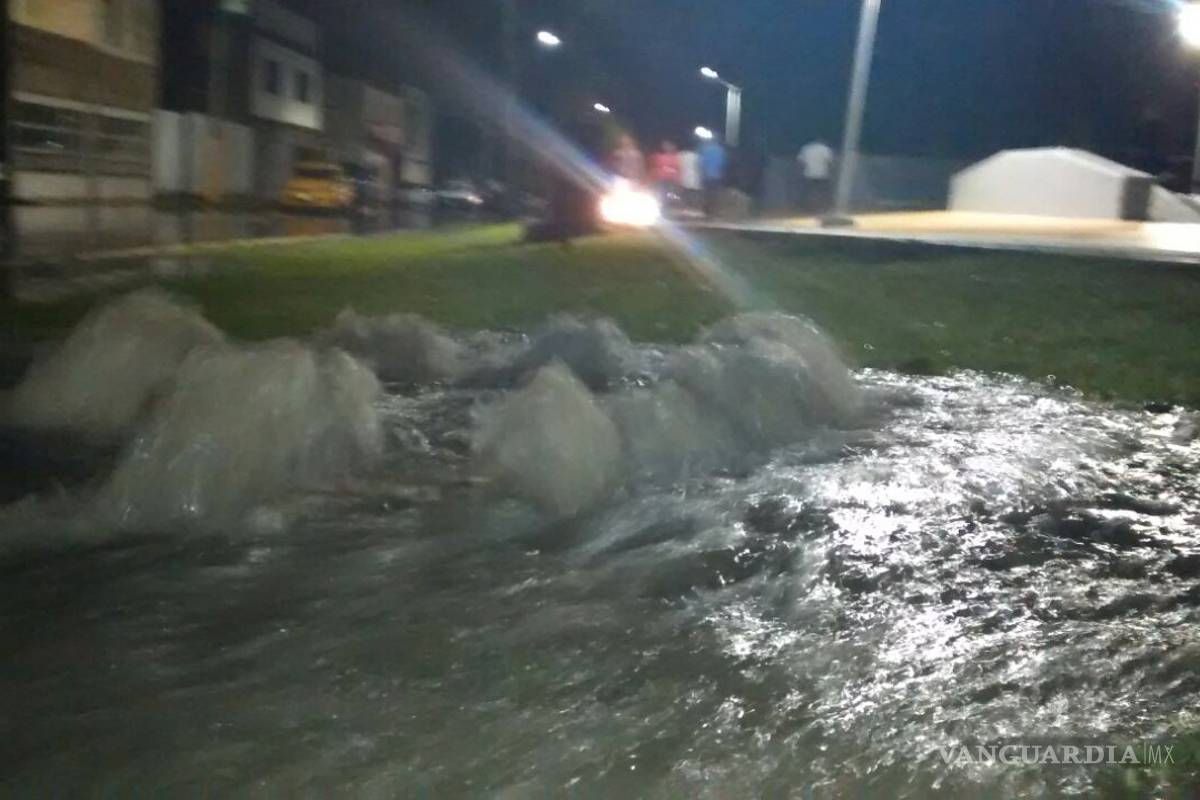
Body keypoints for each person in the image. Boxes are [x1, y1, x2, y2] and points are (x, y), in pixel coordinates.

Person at [797, 139, 836, 214]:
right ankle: (825, 208)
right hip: (823, 174)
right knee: (824, 192)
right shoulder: (825, 149)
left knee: (808, 192)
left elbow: (800, 161)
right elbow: (831, 162)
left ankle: (807, 207)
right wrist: (831, 171)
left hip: (809, 174)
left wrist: (803, 170)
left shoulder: (806, 148)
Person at [699, 136, 727, 217]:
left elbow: (701, 163)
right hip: (717, 176)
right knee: (715, 194)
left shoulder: (705, 150)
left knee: (706, 194)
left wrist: (702, 172)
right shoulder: (721, 150)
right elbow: (723, 163)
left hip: (706, 175)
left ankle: (706, 211)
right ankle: (714, 211)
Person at [649, 140, 681, 209]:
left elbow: (677, 167)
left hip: (671, 178)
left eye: (669, 146)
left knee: (672, 193)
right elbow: (655, 166)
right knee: (663, 192)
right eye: (665, 146)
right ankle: (664, 205)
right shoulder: (659, 156)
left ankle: (671, 205)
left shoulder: (675, 157)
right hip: (662, 178)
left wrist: (677, 177)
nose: (667, 148)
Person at [678, 146, 701, 211]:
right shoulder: (697, 156)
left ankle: (685, 208)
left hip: (684, 179)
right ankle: (694, 208)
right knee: (694, 195)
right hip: (694, 179)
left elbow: (678, 166)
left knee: (685, 195)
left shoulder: (681, 155)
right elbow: (699, 167)